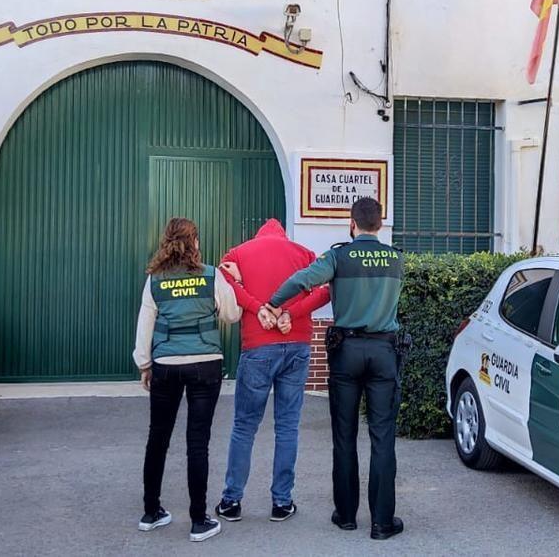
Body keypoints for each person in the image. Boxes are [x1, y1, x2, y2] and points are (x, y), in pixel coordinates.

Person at [264, 197, 407, 540]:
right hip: (385, 350)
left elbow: (303, 280)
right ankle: (382, 523)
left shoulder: (339, 256)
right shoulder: (397, 258)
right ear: (380, 224)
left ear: (352, 223)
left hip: (347, 352)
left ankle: (345, 515)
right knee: (383, 437)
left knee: (344, 436)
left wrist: (272, 303)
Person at [213, 219, 331, 523]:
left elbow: (226, 285)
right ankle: (282, 502)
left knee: (244, 427)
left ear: (258, 236)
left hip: (257, 347)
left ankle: (231, 501)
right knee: (287, 426)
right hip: (297, 345)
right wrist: (290, 313)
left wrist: (258, 308)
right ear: (284, 236)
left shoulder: (238, 254)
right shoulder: (304, 253)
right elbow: (324, 292)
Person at [132, 217, 241, 543]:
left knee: (158, 438)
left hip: (165, 365)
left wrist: (144, 364)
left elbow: (144, 327)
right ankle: (198, 520)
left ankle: (151, 513)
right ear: (194, 243)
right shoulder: (211, 275)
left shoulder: (155, 279)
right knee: (198, 443)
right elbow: (232, 315)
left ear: (167, 243)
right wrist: (233, 281)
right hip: (205, 366)